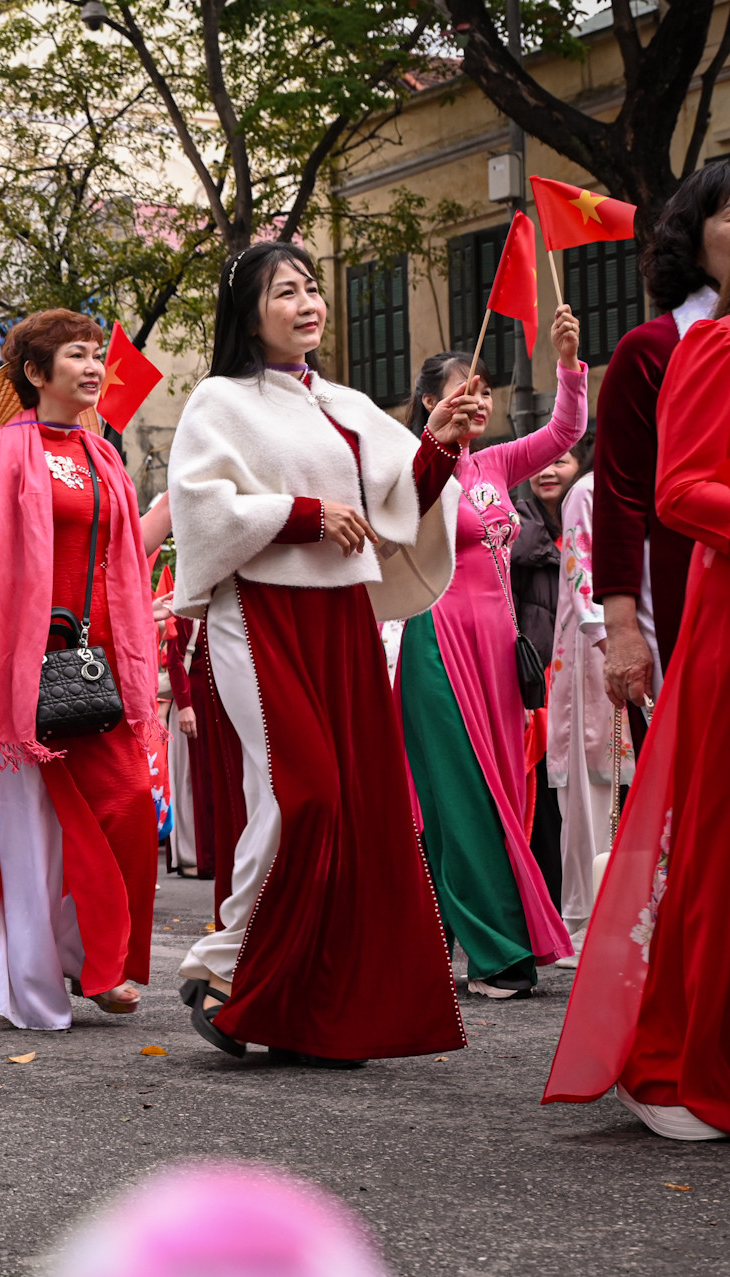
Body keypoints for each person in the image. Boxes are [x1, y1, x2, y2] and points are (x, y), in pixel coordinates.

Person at [166, 241, 472, 1066]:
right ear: (248, 314)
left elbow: (395, 505)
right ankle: (228, 964)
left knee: (358, 807)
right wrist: (304, 512)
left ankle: (321, 1007)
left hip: (341, 618)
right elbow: (201, 511)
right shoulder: (218, 400)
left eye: (310, 288)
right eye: (284, 292)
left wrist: (439, 444)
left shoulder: (346, 402)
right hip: (258, 614)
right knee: (303, 796)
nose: (307, 303)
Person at [544, 300, 730, 1141]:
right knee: (616, 797)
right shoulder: (693, 347)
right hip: (599, 639)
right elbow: (659, 495)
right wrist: (619, 631)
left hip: (641, 624)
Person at [0, 312, 161, 1030]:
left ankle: (96, 957)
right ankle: (45, 975)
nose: (95, 366)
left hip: (99, 663)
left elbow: (124, 551)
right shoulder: (5, 450)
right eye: (78, 355)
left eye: (97, 354)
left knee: (130, 806)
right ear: (37, 373)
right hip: (25, 664)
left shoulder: (102, 454)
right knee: (36, 828)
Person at [397, 309, 585, 1001]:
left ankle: (474, 936)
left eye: (483, 390)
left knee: (506, 793)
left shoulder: (497, 463)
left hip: (501, 652)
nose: (477, 402)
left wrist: (567, 363)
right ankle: (499, 951)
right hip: (439, 644)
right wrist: (434, 444)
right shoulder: (412, 466)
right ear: (430, 401)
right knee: (463, 797)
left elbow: (565, 432)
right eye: (462, 391)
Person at [592, 162, 728, 719]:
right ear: (692, 241)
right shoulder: (650, 350)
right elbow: (620, 497)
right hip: (681, 592)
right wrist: (623, 631)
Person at [548, 465, 630, 957]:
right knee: (591, 788)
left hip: (646, 640)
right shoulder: (589, 491)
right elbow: (582, 575)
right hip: (595, 650)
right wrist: (610, 640)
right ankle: (582, 919)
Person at [512, 442, 583, 905]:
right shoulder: (520, 525)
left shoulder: (591, 525)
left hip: (583, 683)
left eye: (560, 461)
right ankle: (549, 905)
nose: (548, 471)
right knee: (542, 804)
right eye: (539, 463)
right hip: (537, 687)